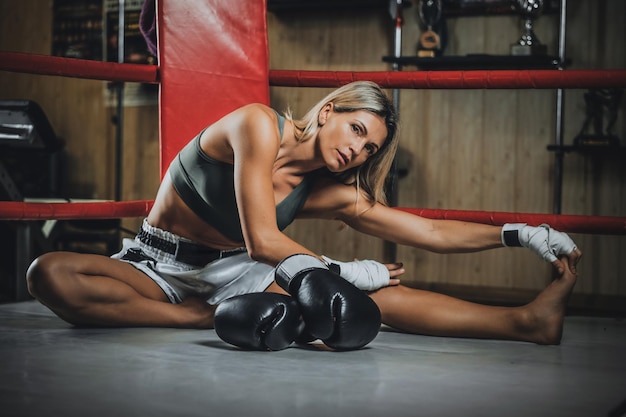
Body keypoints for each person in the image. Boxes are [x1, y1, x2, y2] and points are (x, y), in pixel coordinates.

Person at [26, 81, 582, 347]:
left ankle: (524, 321)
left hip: (235, 271)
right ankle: (200, 319)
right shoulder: (255, 124)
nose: (357, 151)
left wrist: (521, 234)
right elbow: (264, 239)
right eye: (357, 130)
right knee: (48, 273)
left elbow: (430, 231)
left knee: (374, 299)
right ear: (330, 110)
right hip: (154, 264)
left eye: (369, 149)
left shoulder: (326, 190)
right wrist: (342, 271)